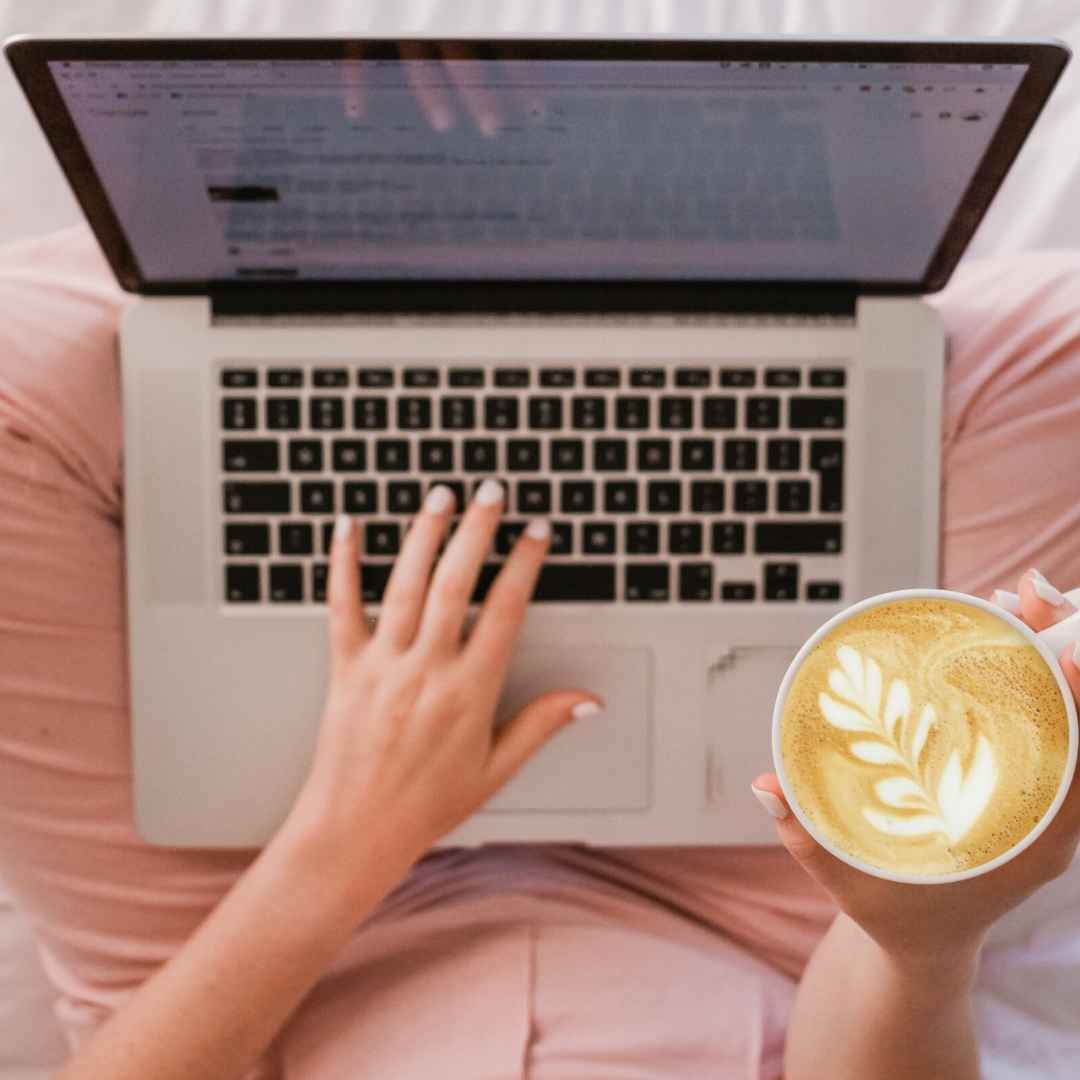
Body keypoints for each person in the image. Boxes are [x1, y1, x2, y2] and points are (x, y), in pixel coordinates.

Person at [1, 225, 1079, 1080]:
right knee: (1046, 343)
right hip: (763, 933)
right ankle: (683, 247)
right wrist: (919, 941)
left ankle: (343, 231)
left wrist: (347, 838)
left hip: (271, 957)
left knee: (20, 368)